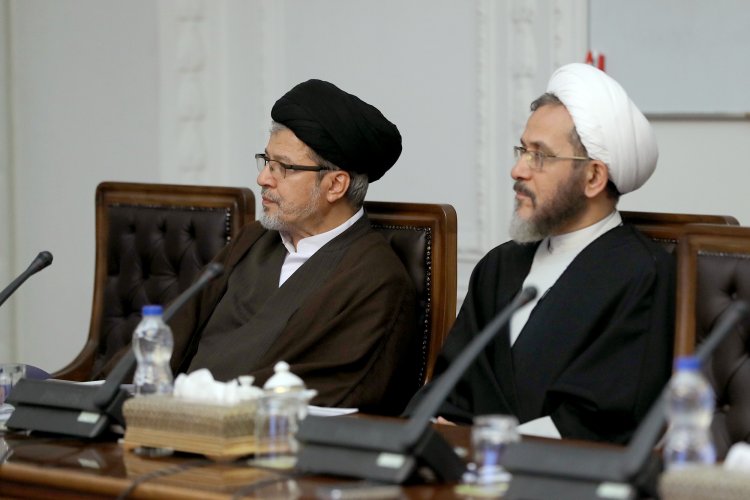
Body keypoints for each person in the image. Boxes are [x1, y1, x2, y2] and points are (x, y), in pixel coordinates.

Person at [405, 63, 674, 444]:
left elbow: (602, 419)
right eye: (522, 150)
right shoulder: (499, 266)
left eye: (540, 156)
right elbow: (453, 387)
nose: (517, 170)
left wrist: (488, 444)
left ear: (593, 177)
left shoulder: (644, 274)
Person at [168, 79, 419, 415]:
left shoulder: (377, 280)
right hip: (172, 420)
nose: (263, 179)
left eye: (283, 168)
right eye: (266, 161)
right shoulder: (254, 240)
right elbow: (173, 335)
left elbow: (329, 393)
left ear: (335, 185)